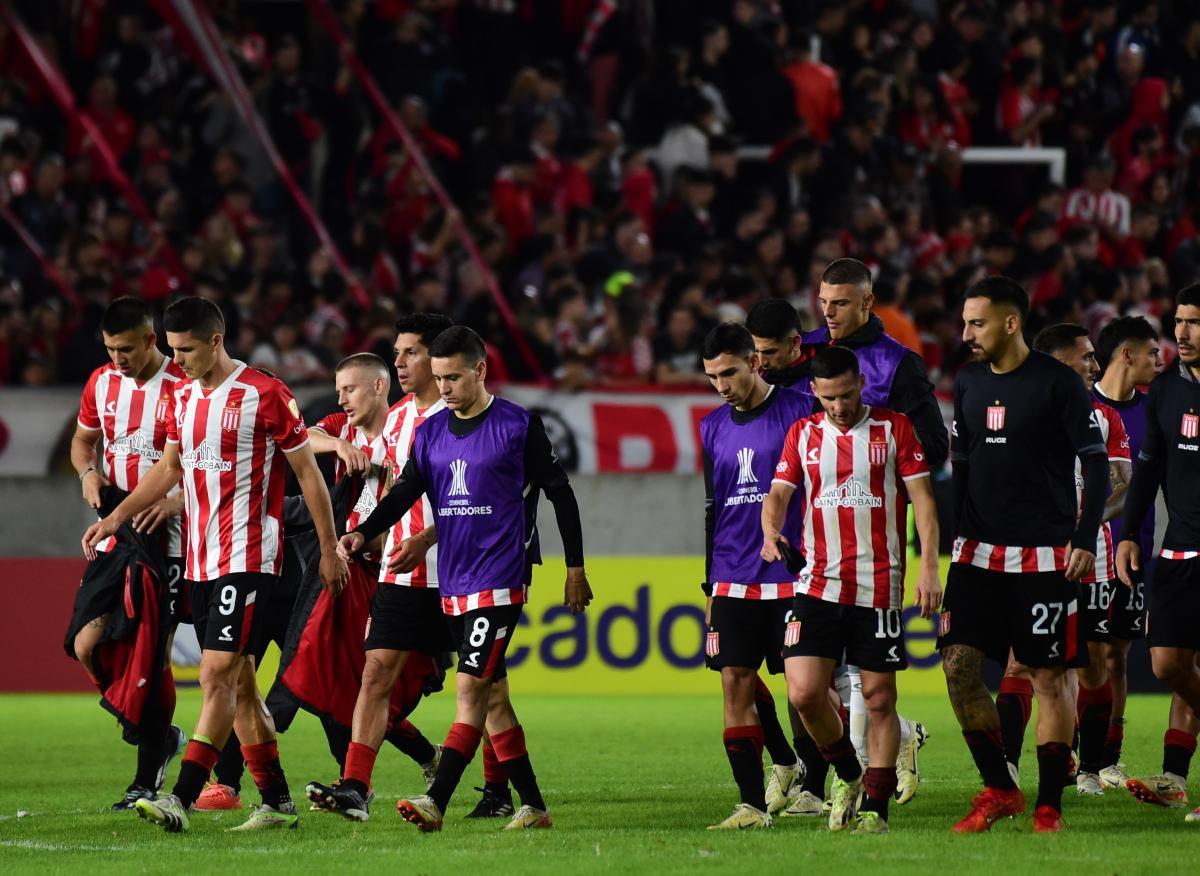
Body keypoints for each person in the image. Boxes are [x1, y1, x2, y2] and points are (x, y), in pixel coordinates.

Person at [83, 297, 349, 833]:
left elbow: (308, 476)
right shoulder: (182, 395)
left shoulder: (265, 394)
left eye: (184, 350)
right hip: (200, 560)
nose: (175, 361)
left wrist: (327, 547)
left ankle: (180, 797)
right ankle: (275, 801)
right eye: (172, 349)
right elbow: (168, 470)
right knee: (243, 686)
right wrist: (117, 518)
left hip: (249, 555)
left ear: (215, 341)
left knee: (216, 674)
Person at [338, 326, 592, 832]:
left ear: (479, 370)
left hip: (500, 580)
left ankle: (436, 799)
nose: (445, 388)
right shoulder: (431, 432)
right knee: (493, 698)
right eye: (439, 378)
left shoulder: (519, 426)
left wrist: (575, 569)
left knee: (470, 691)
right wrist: (363, 534)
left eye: (453, 377)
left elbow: (561, 494)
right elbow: (404, 491)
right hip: (453, 582)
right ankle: (534, 807)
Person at [747, 268, 940, 807]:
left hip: (872, 547)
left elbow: (933, 453)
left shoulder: (898, 365)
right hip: (807, 546)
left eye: (840, 303)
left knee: (859, 683)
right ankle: (880, 749)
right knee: (809, 682)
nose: (828, 312)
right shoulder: (802, 352)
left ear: (868, 301)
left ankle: (841, 784)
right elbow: (759, 384)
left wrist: (876, 458)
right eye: (823, 302)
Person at [937, 276, 1109, 834]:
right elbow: (960, 466)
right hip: (977, 553)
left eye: (976, 322)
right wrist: (947, 543)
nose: (965, 334)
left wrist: (1084, 540)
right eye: (964, 322)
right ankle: (1001, 789)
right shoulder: (966, 383)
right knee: (959, 666)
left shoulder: (1058, 384)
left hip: (1045, 556)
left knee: (1047, 676)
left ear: (1011, 323)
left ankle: (1049, 805)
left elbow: (1097, 466)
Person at [995, 324, 1131, 796]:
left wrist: (1083, 528)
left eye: (1096, 358)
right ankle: (1008, 765)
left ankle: (1091, 767)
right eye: (1087, 358)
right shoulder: (1018, 410)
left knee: (1092, 663)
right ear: (1057, 363)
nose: (1096, 366)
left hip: (1089, 555)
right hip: (1033, 552)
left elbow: (1122, 485)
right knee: (1019, 663)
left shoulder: (1104, 417)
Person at [67, 296, 187, 810]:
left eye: (127, 350)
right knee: (85, 644)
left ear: (151, 341)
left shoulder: (182, 386)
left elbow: (183, 464)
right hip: (115, 527)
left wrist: (175, 500)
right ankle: (153, 730)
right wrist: (87, 472)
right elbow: (81, 441)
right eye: (111, 349)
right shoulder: (101, 382)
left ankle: (146, 780)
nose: (118, 359)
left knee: (152, 653)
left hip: (168, 534)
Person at [698, 322, 813, 830]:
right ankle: (751, 804)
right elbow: (712, 508)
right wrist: (709, 586)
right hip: (731, 576)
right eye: (711, 377)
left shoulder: (801, 409)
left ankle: (818, 780)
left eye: (729, 372)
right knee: (734, 683)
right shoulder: (711, 426)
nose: (721, 386)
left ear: (755, 362)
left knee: (805, 689)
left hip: (791, 575)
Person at [1117, 284, 1200, 823]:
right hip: (1177, 551)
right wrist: (1127, 532)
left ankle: (1175, 778)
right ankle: (1174, 779)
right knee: (1168, 662)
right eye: (1179, 321)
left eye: (1195, 322)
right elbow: (1146, 468)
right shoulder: (1167, 390)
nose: (1183, 333)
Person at [1091, 316, 1164, 789]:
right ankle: (1080, 760)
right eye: (1153, 353)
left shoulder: (1156, 409)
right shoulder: (1081, 406)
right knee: (1087, 656)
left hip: (1135, 550)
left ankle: (1106, 759)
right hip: (1086, 550)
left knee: (1117, 655)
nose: (1161, 361)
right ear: (1127, 354)